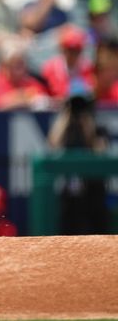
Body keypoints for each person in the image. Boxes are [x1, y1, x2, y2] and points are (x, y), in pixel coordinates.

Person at [47, 84, 110, 234]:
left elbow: (100, 151)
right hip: (70, 197)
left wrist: (87, 123)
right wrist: (66, 115)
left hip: (93, 195)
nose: (78, 108)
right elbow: (52, 146)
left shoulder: (99, 128)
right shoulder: (65, 129)